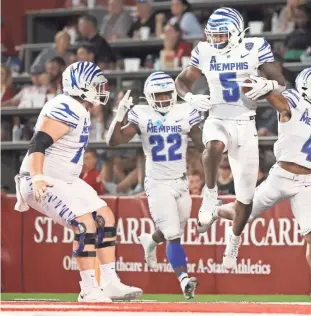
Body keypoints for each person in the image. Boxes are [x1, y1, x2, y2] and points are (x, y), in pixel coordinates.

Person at [213, 68, 311, 300]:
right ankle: (217, 210)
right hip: (281, 176)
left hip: (306, 181)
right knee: (243, 214)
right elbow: (279, 103)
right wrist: (267, 88)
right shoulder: (294, 101)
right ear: (307, 86)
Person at [13, 61, 142, 302]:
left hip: (65, 180)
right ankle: (89, 289)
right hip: (41, 178)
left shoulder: (78, 108)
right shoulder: (68, 106)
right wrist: (38, 177)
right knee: (85, 223)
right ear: (81, 87)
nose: (102, 90)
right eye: (96, 85)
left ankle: (109, 282)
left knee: (105, 217)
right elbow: (38, 143)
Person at [175, 7, 286, 270]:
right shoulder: (204, 51)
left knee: (245, 201)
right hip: (217, 118)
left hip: (246, 123)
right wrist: (190, 97)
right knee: (212, 146)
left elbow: (282, 81)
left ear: (236, 32)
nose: (216, 40)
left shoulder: (255, 47)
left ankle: (233, 242)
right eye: (212, 35)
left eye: (222, 35)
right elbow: (181, 82)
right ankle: (210, 194)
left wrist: (268, 86)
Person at [106, 71, 204, 300]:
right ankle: (184, 280)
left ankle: (150, 240)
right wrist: (119, 115)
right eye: (157, 95)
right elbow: (114, 141)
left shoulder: (185, 111)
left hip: (181, 181)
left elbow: (201, 145)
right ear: (149, 97)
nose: (162, 99)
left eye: (166, 94)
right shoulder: (141, 114)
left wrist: (211, 125)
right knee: (173, 235)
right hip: (158, 183)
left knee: (176, 228)